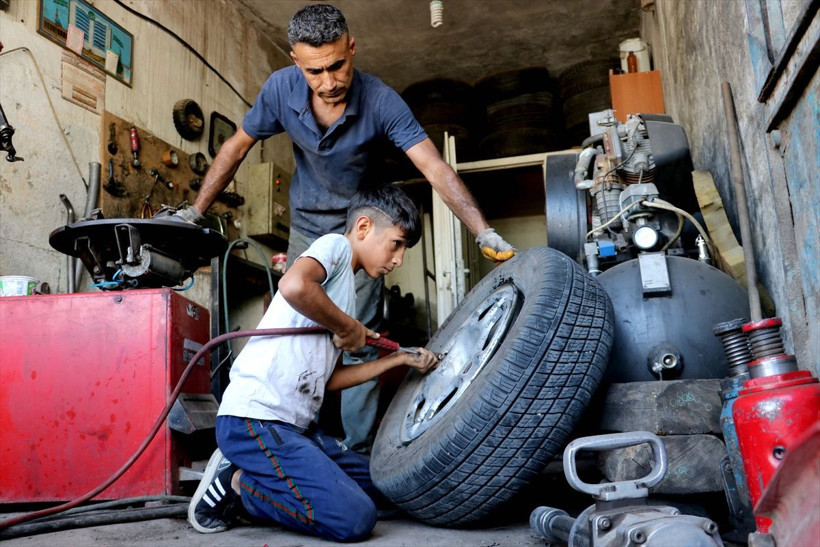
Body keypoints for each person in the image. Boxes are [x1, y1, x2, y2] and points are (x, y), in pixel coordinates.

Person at [175, 4, 515, 452]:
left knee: (358, 338)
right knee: (297, 330)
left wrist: (482, 231)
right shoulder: (280, 90)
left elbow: (434, 167)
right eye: (315, 71)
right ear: (297, 62)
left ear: (352, 47)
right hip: (307, 226)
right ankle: (291, 436)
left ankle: (358, 449)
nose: (329, 81)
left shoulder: (380, 100)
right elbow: (236, 148)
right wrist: (196, 211)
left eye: (337, 65)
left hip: (363, 227)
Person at [188, 185, 439, 541]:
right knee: (355, 518)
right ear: (364, 228)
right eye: (396, 244)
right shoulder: (335, 246)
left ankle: (264, 472)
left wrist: (396, 359)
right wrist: (347, 326)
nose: (398, 259)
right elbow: (293, 285)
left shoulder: (343, 295)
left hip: (298, 427)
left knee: (385, 488)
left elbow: (329, 380)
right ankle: (238, 484)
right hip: (256, 420)